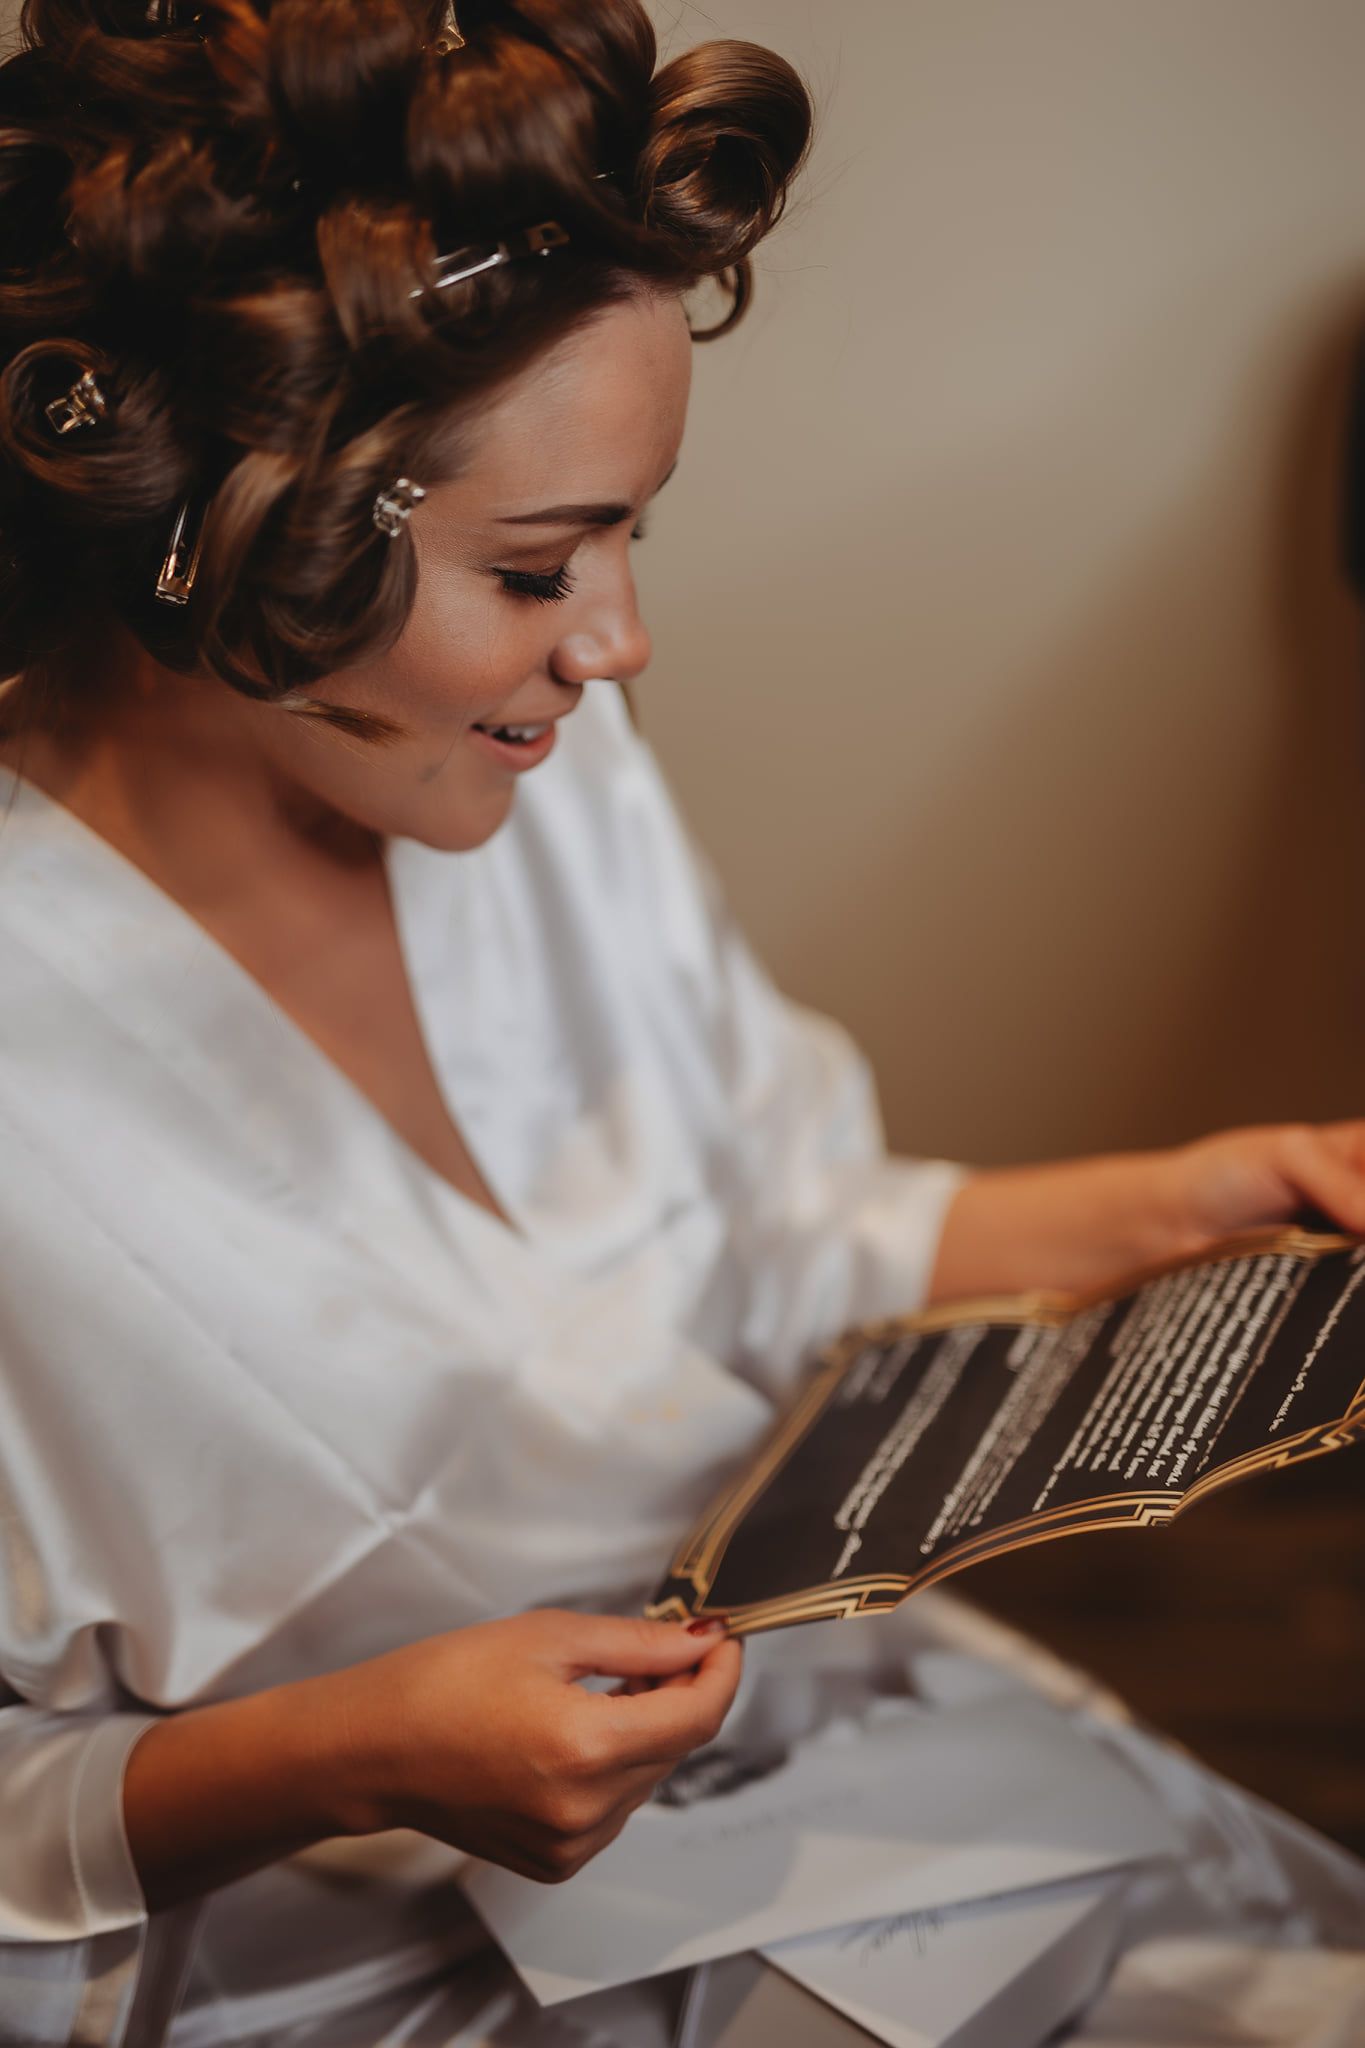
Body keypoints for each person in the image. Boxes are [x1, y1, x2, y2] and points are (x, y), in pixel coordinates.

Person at [0, 3, 1363, 2044]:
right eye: (540, 562)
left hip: (842, 1781)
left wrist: (1174, 1202)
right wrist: (351, 1750)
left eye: (631, 532)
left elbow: (774, 1230)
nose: (620, 643)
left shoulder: (530, 760)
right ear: (230, 528)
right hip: (335, 1951)